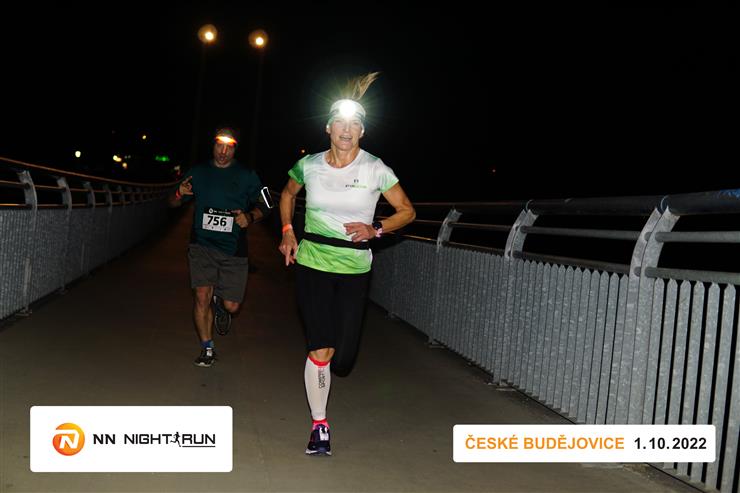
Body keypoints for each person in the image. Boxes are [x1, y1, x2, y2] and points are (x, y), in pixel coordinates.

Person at [278, 72, 416, 456]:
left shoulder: (375, 168)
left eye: (354, 124)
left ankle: (332, 367)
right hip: (313, 262)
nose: (346, 129)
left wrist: (376, 229)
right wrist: (287, 230)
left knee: (345, 359)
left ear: (362, 132)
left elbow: (407, 211)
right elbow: (287, 194)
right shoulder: (309, 165)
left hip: (355, 268)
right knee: (321, 347)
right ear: (328, 128)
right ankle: (319, 426)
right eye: (340, 122)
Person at [169, 127, 270, 367]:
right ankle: (207, 348)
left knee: (232, 306)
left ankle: (222, 305)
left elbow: (268, 204)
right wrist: (178, 193)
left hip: (233, 248)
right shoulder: (198, 172)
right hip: (201, 245)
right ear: (213, 145)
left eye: (229, 147)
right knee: (201, 296)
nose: (223, 152)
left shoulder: (247, 175)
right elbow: (172, 203)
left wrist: (250, 217)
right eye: (219, 146)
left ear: (235, 149)